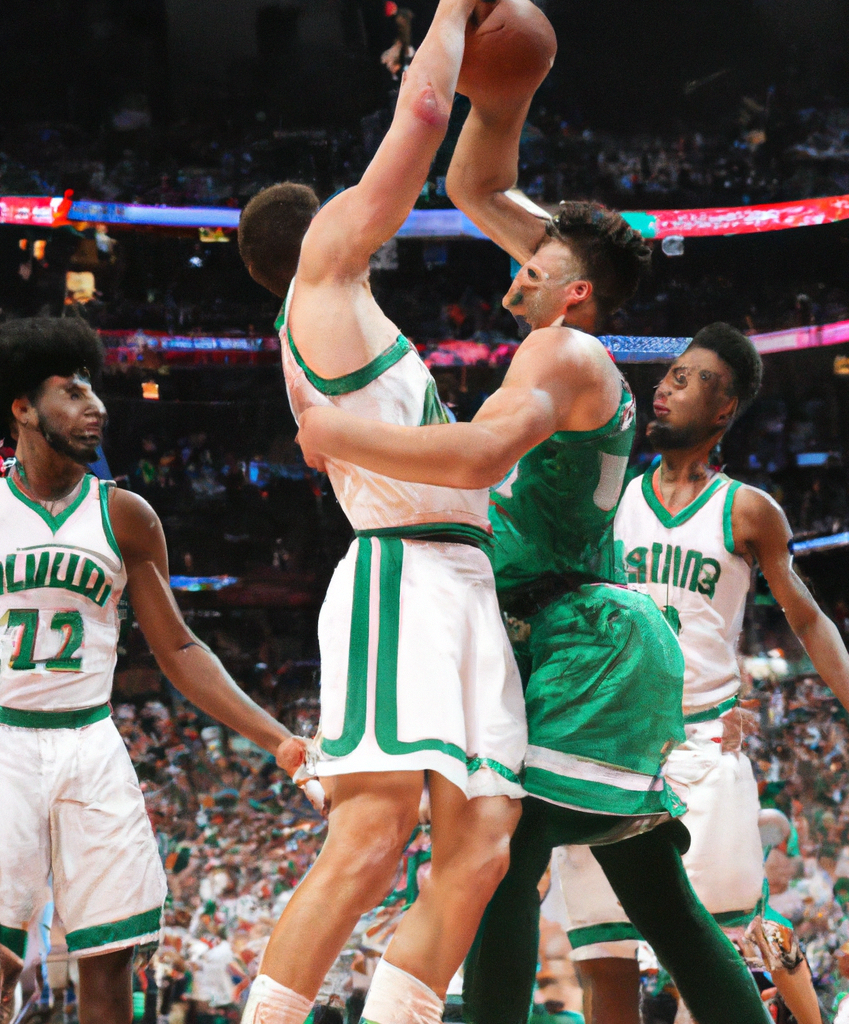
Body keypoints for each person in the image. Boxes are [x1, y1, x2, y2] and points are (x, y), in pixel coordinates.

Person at [295, 7, 771, 1021]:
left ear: (574, 293)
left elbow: (472, 456)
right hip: (589, 636)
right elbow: (475, 186)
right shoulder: (570, 317)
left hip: (581, 637)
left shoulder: (560, 352)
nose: (515, 263)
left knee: (493, 855)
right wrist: (504, 87)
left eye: (535, 263)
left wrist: (337, 437)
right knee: (657, 902)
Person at [236, 2, 528, 1022]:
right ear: (314, 228)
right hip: (401, 571)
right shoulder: (324, 276)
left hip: (463, 577)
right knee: (369, 835)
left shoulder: (353, 312)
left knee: (485, 840)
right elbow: (421, 115)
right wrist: (452, 10)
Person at [553, 322, 849, 1024]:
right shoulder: (608, 495)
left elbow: (808, 620)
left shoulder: (747, 510)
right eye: (666, 377)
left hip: (700, 749)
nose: (664, 388)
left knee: (709, 957)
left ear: (723, 409)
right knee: (607, 974)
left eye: (686, 378)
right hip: (605, 747)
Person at [0, 317, 307, 1024]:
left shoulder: (126, 516)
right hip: (7, 741)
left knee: (108, 970)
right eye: (72, 393)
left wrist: (278, 741)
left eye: (95, 394)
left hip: (89, 744)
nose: (95, 408)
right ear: (22, 408)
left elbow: (179, 650)